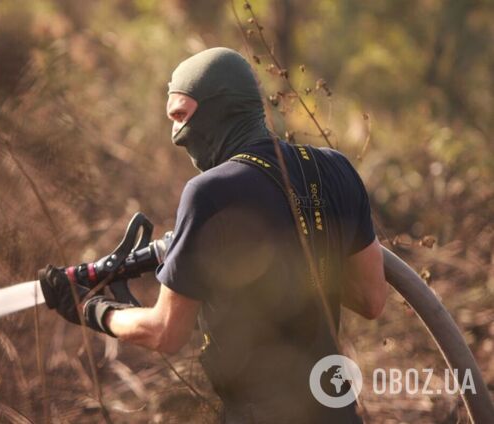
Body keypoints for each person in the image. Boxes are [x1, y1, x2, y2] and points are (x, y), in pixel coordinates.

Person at [39, 47, 387, 423]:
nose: (176, 135)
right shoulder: (335, 169)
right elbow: (371, 300)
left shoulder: (209, 192)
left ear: (218, 108)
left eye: (181, 116)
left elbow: (165, 333)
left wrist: (90, 309)